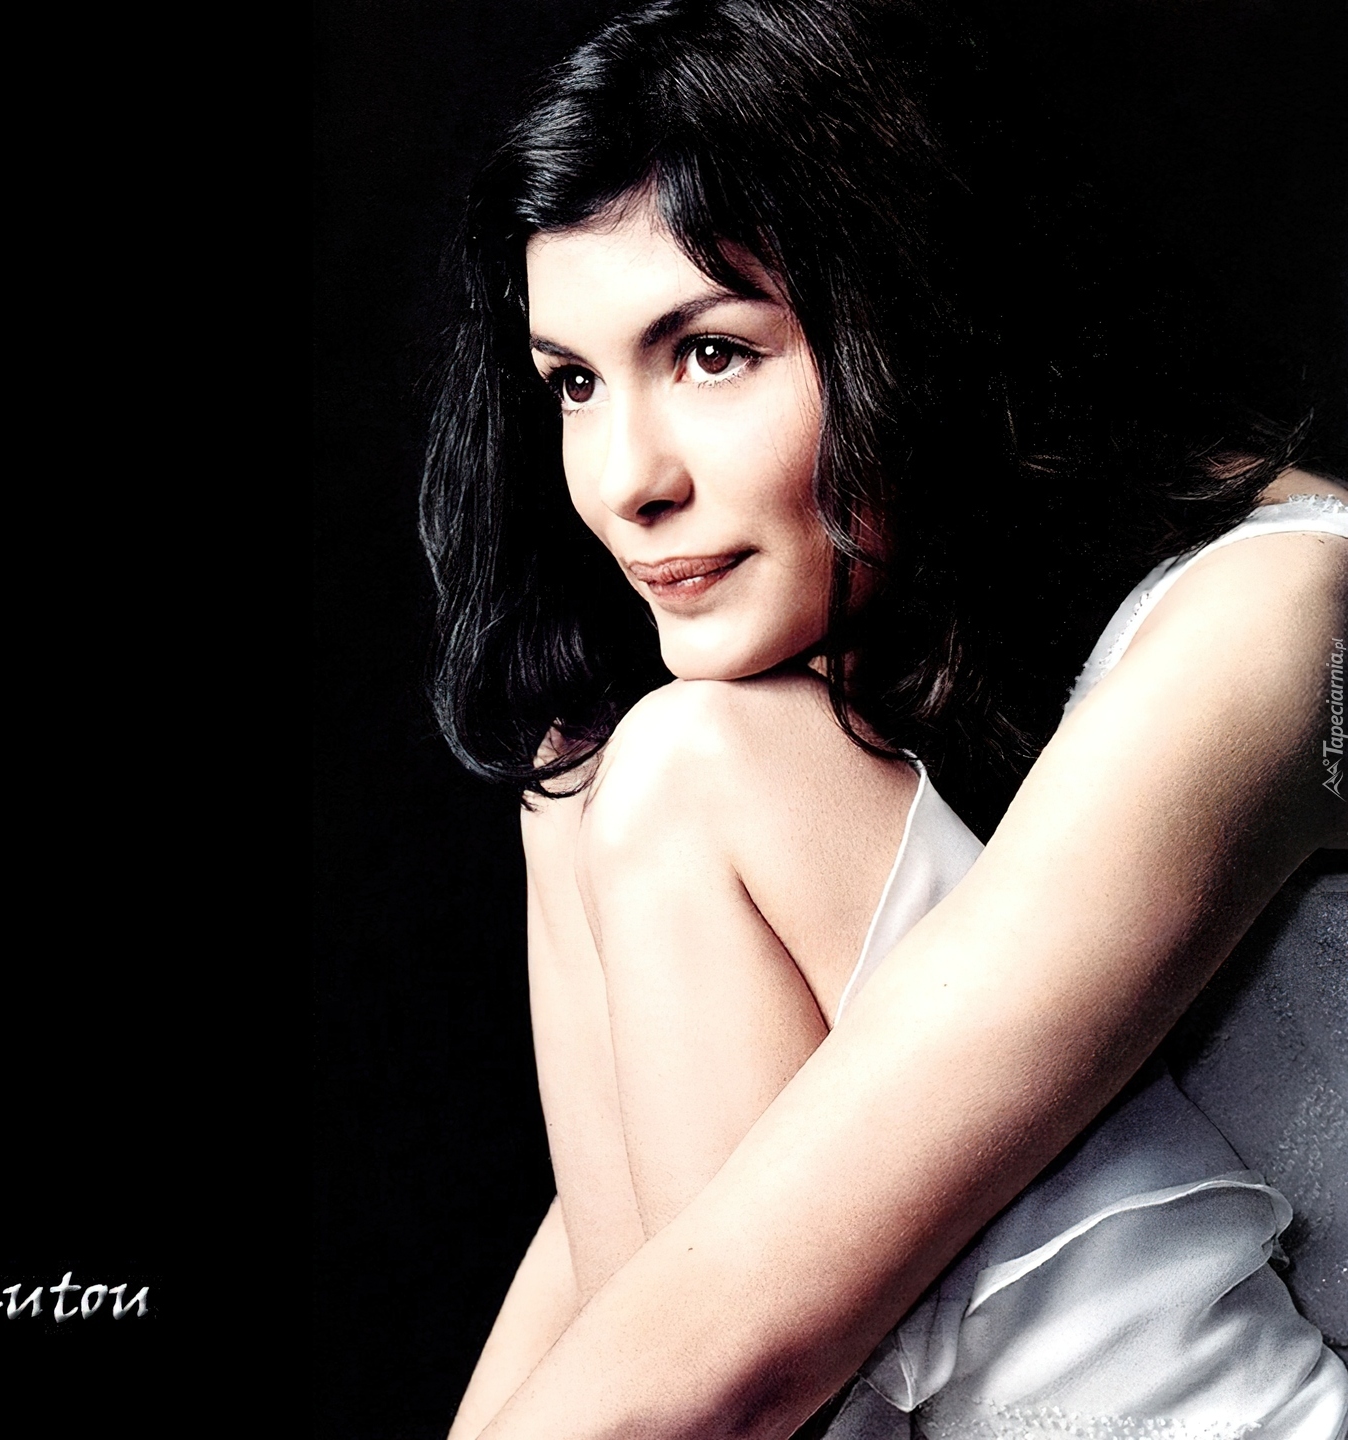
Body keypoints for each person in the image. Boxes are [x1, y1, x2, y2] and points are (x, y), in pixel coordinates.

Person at [417, 1, 1348, 1435]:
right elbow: (652, 1305)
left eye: (712, 353)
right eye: (576, 384)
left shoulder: (1280, 606)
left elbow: (728, 1342)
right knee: (592, 777)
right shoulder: (842, 707)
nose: (625, 480)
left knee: (679, 768)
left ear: (914, 315)